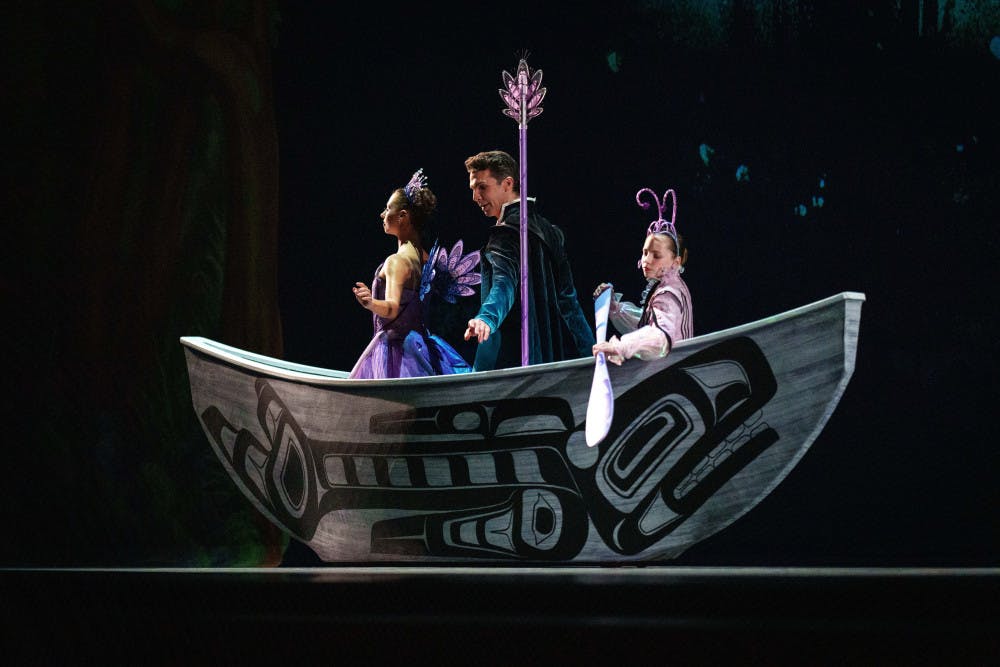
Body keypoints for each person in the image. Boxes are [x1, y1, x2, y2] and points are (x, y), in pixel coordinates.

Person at [462, 150, 594, 371]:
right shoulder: (551, 231)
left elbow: (504, 283)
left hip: (512, 362)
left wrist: (486, 318)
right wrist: (590, 352)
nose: (475, 197)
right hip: (552, 359)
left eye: (482, 187)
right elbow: (569, 303)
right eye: (473, 189)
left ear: (507, 183)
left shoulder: (505, 234)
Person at [350, 169, 480, 379]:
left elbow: (392, 308)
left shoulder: (397, 261)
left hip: (397, 352)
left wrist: (370, 303)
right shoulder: (426, 259)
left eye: (388, 209)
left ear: (403, 216)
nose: (383, 214)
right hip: (422, 348)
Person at [592, 187, 693, 365]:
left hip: (672, 373)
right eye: (645, 253)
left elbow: (660, 338)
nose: (647, 260)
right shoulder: (664, 288)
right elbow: (648, 324)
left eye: (656, 255)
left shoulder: (669, 293)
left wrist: (620, 347)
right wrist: (614, 308)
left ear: (675, 262)